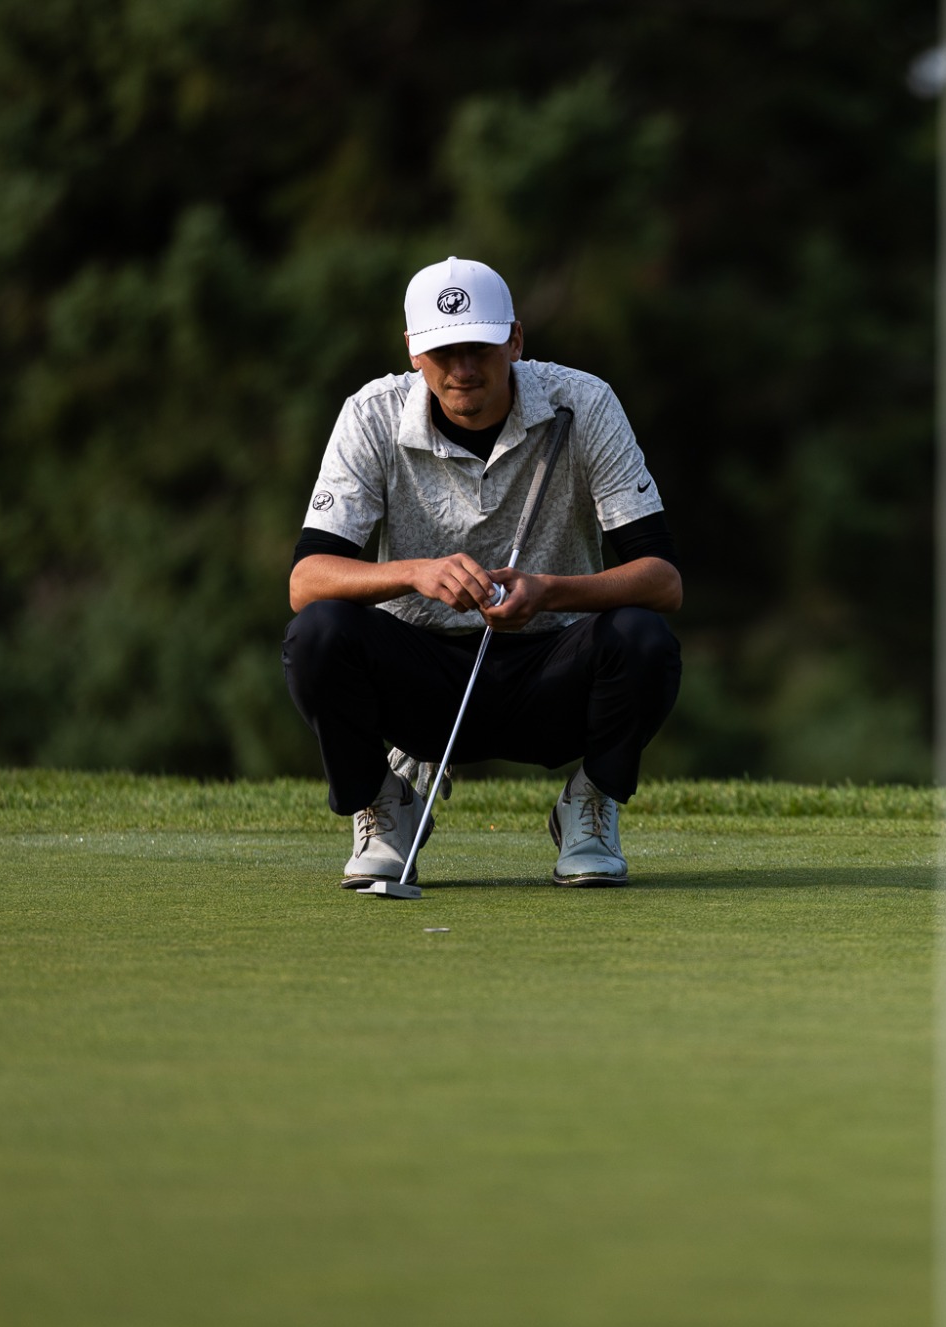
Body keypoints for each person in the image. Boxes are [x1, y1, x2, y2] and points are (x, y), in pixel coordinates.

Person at [282, 257, 682, 888]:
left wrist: (550, 591)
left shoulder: (583, 404)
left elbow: (663, 579)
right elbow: (306, 581)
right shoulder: (372, 415)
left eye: (480, 347)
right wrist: (414, 573)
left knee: (642, 638)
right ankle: (387, 809)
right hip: (420, 682)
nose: (464, 368)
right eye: (444, 351)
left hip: (552, 670)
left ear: (515, 339)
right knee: (319, 633)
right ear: (414, 349)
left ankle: (590, 805)